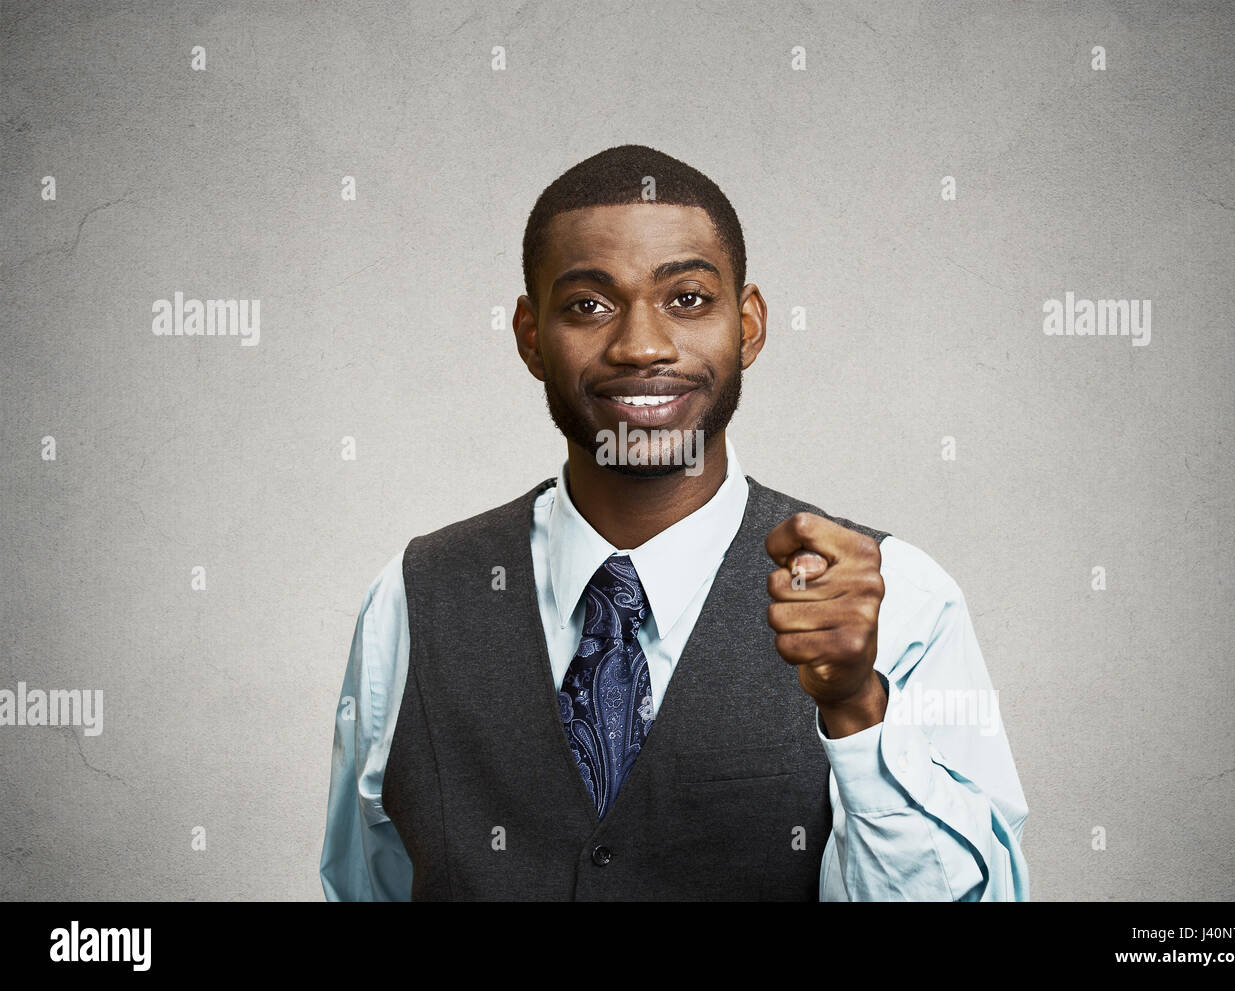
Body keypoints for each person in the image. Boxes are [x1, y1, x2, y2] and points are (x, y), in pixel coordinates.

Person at [320, 144, 1029, 901]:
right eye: (588, 304)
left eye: (686, 298)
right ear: (530, 334)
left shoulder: (901, 598)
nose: (642, 346)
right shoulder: (411, 600)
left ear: (748, 325)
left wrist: (858, 710)